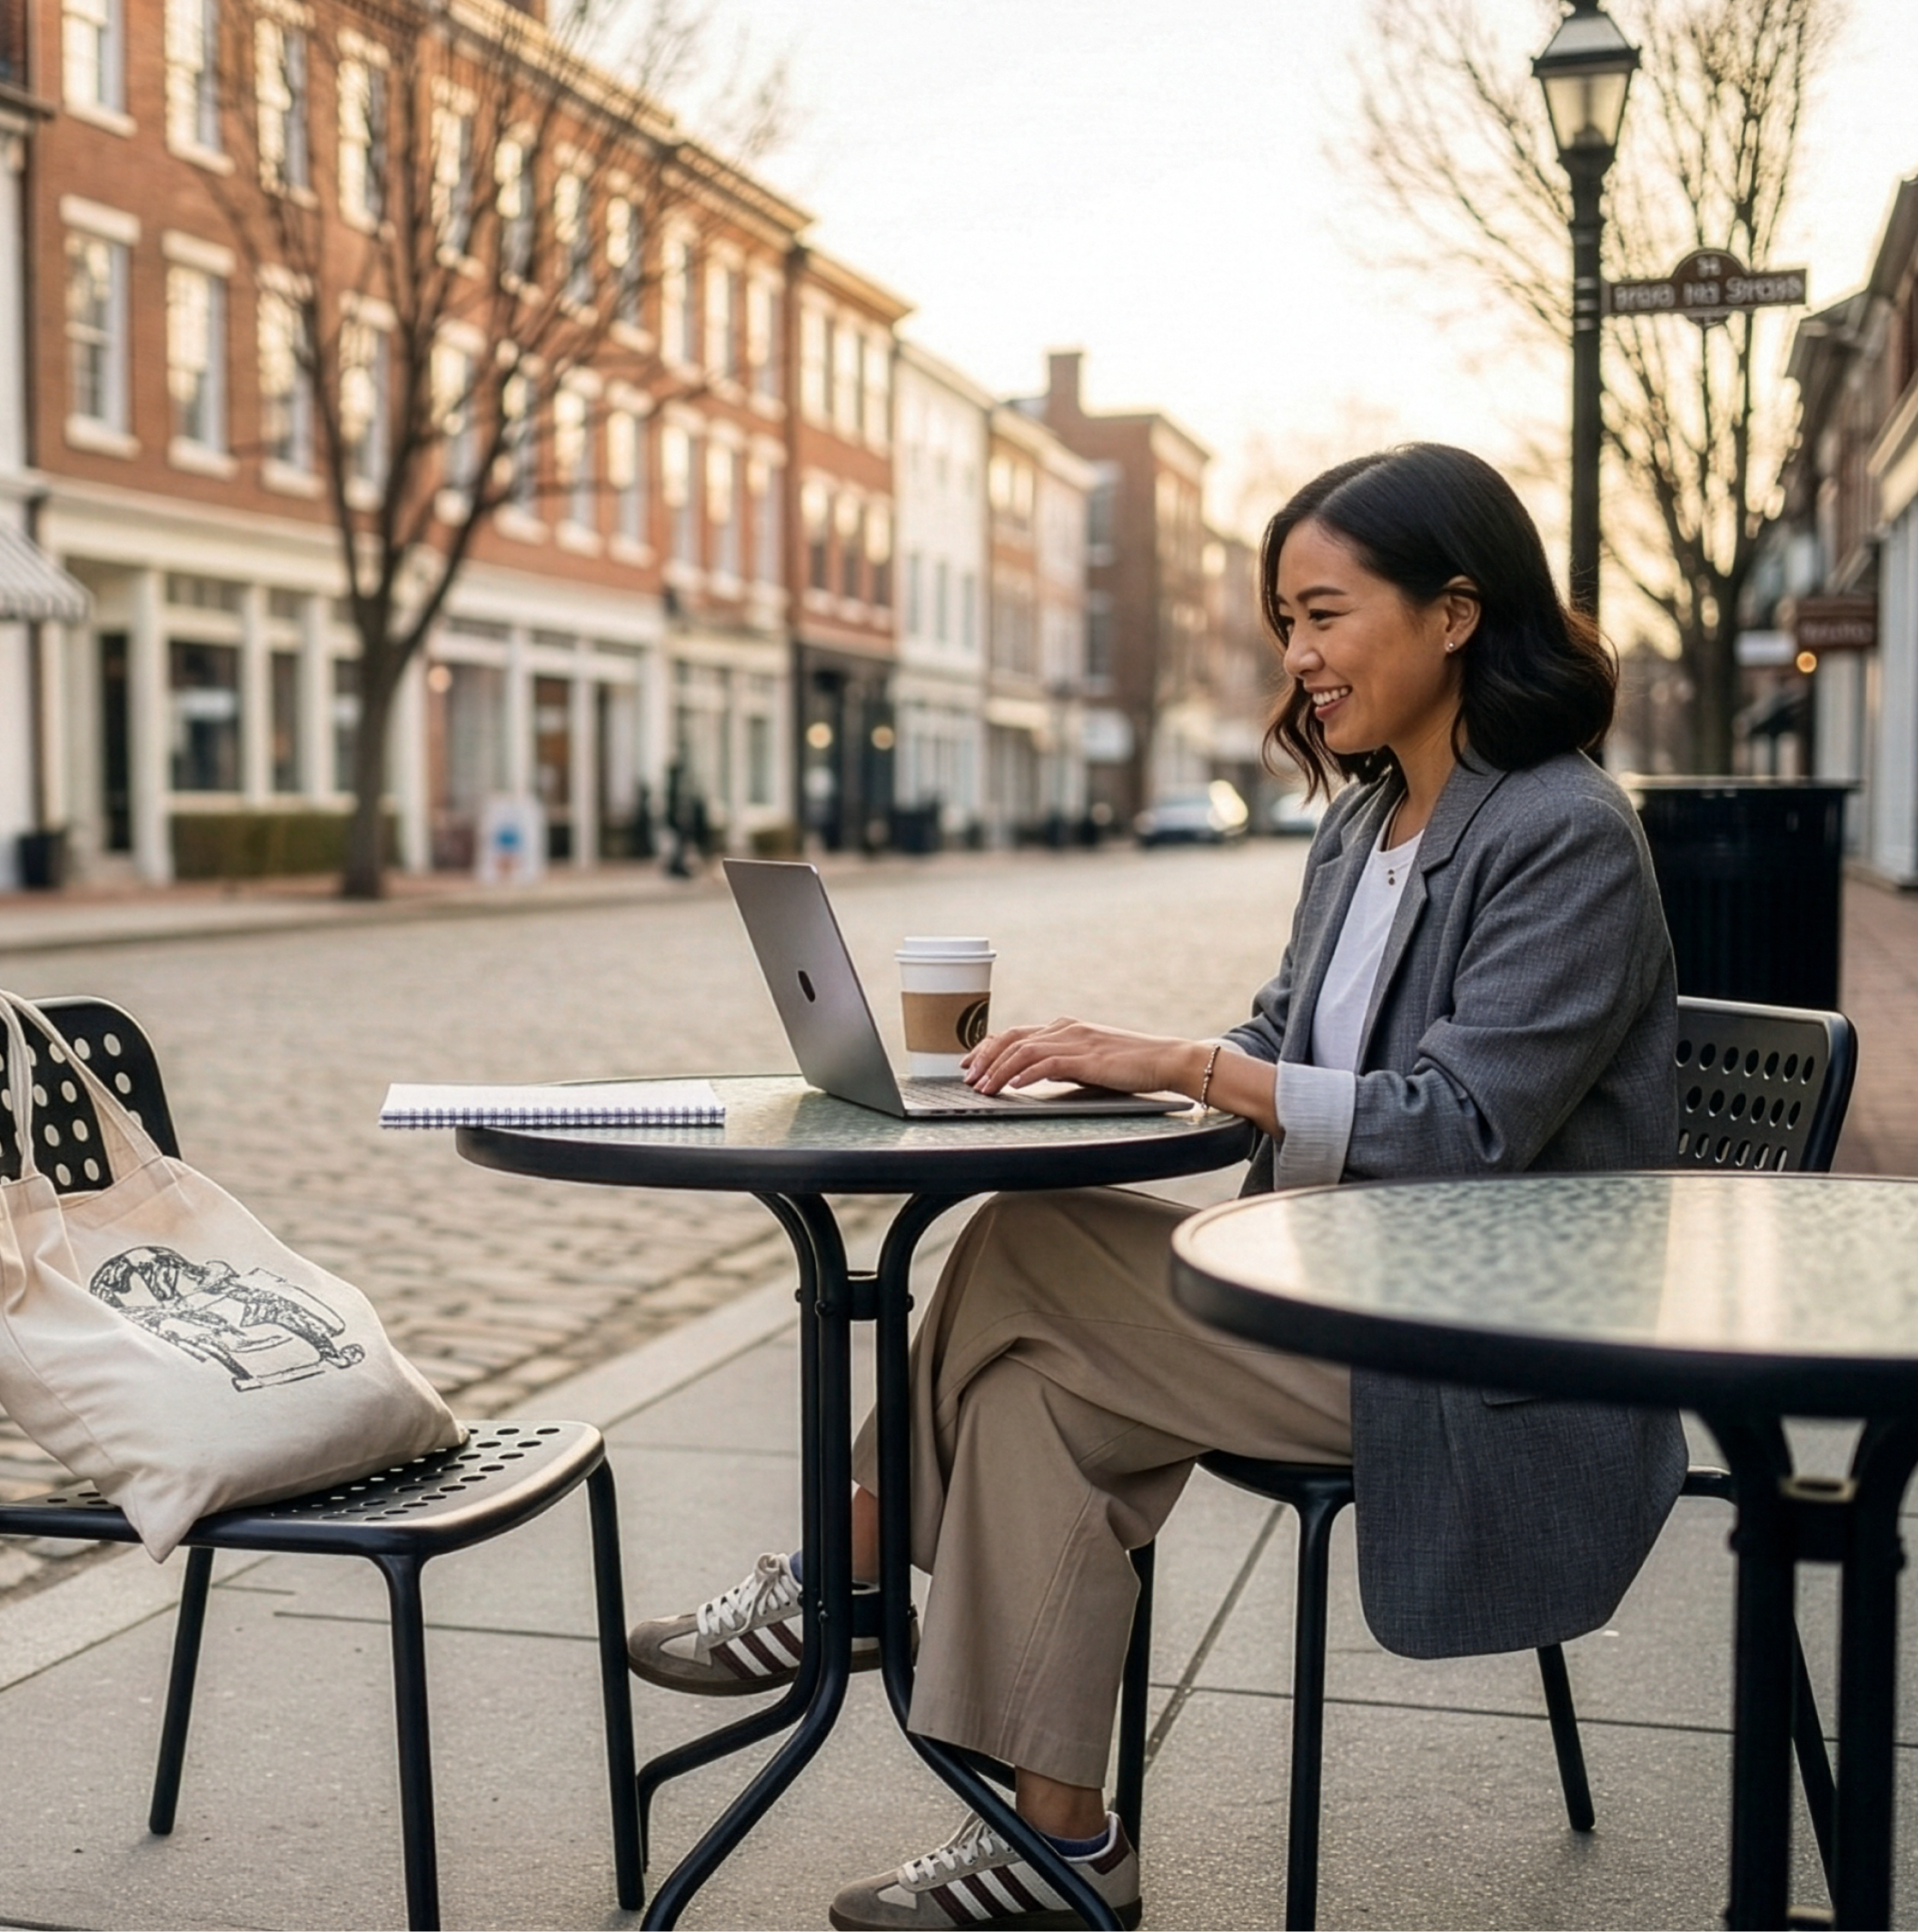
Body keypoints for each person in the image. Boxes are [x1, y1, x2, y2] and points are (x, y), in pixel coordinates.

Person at [626, 443, 1685, 1932]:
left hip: (1488, 1348)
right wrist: (1113, 1068)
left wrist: (1181, 1060)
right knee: (1029, 1393)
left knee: (1025, 1250)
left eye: (1321, 614)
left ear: (1452, 611)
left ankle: (837, 1577)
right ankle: (1061, 1845)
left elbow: (1453, 1125)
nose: (1296, 657)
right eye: (1281, 623)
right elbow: (1284, 1038)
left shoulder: (1558, 831)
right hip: (1336, 1290)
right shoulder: (1360, 823)